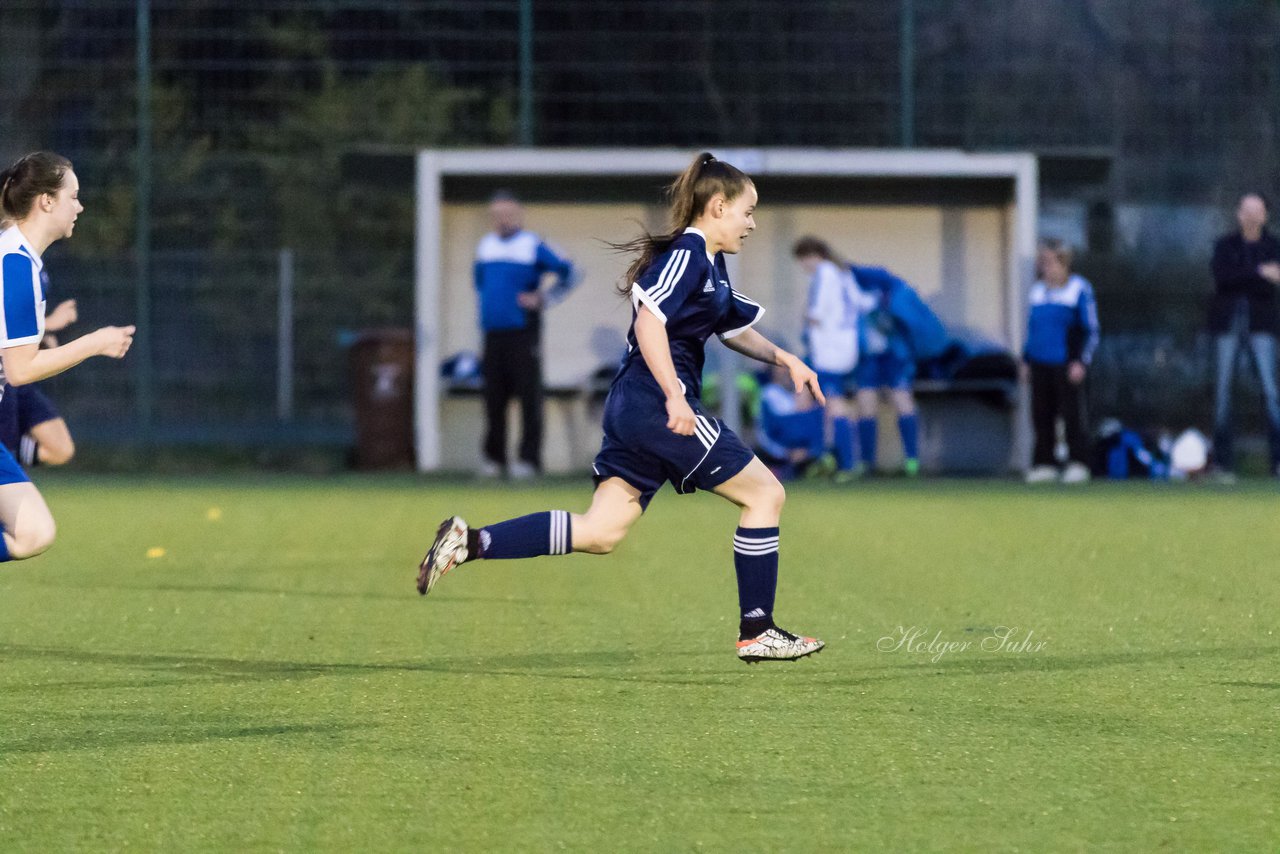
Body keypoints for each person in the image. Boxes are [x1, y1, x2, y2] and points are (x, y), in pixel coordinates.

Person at [418, 152, 825, 663]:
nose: (752, 223)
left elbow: (730, 326)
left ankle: (470, 542)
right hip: (658, 405)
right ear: (718, 207)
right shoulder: (688, 255)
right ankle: (757, 629)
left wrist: (786, 358)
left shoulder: (709, 265)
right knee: (766, 494)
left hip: (636, 407)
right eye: (747, 211)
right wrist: (676, 396)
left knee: (600, 532)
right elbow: (648, 321)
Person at [0, 151, 134, 562]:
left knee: (35, 532)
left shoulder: (20, 259)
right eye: (73, 196)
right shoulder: (14, 264)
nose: (80, 206)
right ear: (46, 201)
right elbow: (21, 371)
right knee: (33, 531)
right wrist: (94, 343)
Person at [473, 191, 577, 479]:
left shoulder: (532, 244)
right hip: (492, 334)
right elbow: (481, 284)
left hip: (523, 333)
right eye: (496, 215)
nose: (502, 220)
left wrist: (542, 298)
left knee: (529, 398)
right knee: (493, 399)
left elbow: (570, 273)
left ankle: (527, 461)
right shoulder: (485, 246)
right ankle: (494, 460)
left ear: (517, 216)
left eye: (507, 214)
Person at [1208, 192, 1280, 480]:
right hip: (1227, 327)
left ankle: (1277, 462)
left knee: (1271, 393)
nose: (1251, 217)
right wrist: (1260, 272)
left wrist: (1248, 276)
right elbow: (1223, 278)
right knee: (1223, 393)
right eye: (1247, 211)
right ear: (1238, 214)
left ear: (1265, 216)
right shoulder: (1225, 245)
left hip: (1262, 327)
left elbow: (1267, 287)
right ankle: (1223, 464)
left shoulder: (1274, 246)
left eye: (1257, 211)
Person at [792, 237, 872, 480]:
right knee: (819, 400)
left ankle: (844, 462)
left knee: (831, 404)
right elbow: (864, 304)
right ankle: (824, 456)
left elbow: (816, 314)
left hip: (829, 351)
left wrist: (807, 316)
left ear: (813, 255)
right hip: (845, 350)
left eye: (804, 259)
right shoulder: (843, 274)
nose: (804, 266)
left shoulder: (825, 274)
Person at [1022, 238, 1100, 484]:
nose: (1046, 268)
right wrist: (1025, 359)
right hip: (1040, 363)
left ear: (1063, 263)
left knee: (1072, 415)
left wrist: (1081, 361)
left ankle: (1079, 462)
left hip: (1066, 363)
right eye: (1043, 263)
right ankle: (1045, 462)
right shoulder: (1037, 292)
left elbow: (1091, 330)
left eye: (1051, 262)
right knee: (1041, 415)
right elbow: (1032, 329)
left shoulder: (1079, 289)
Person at [754, 362, 832, 481]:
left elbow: (820, 430)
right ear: (772, 371)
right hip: (779, 459)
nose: (785, 372)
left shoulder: (806, 395)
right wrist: (786, 453)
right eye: (780, 368)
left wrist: (810, 451)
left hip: (810, 457)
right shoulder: (768, 396)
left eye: (788, 368)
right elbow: (764, 434)